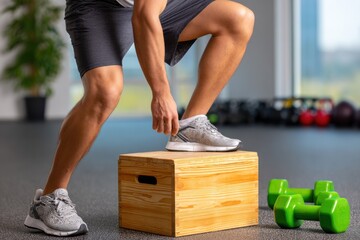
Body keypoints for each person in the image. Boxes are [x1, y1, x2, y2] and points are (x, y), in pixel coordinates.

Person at [24, 0, 255, 236]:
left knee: (238, 19)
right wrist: (161, 92)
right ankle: (49, 199)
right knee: (105, 92)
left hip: (151, 6)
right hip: (97, 6)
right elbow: (144, 16)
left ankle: (191, 124)